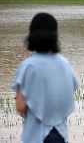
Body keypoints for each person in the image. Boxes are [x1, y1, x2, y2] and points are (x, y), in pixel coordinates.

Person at [12, 13, 80, 143]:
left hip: (36, 136)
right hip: (61, 134)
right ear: (56, 35)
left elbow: (20, 106)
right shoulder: (64, 63)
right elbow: (68, 95)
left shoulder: (29, 66)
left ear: (31, 34)